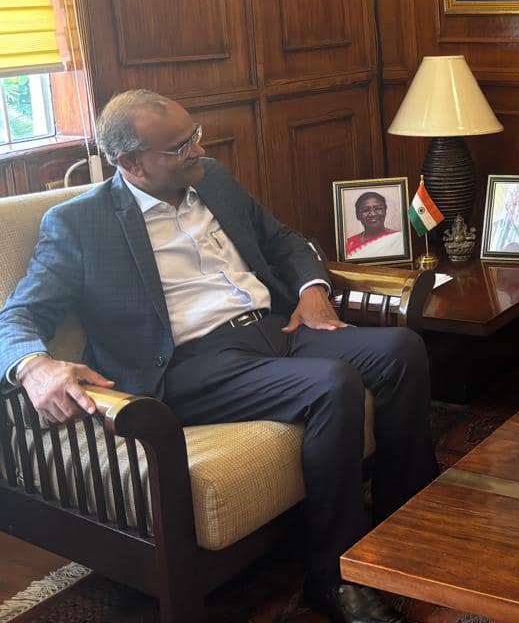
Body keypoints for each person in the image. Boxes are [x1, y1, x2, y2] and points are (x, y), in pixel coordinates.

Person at [0, 90, 436, 623]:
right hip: (188, 365)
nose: (199, 150)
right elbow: (18, 315)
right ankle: (332, 577)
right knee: (333, 384)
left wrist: (312, 288)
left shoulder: (212, 180)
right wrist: (33, 365)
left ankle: (402, 520)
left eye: (196, 135)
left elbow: (282, 239)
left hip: (274, 328)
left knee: (401, 349)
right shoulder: (79, 224)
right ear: (132, 163)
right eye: (180, 147)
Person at [345, 191, 401, 260]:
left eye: (378, 208)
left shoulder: (398, 239)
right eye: (366, 210)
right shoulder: (349, 244)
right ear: (357, 215)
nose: (373, 214)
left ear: (385, 211)